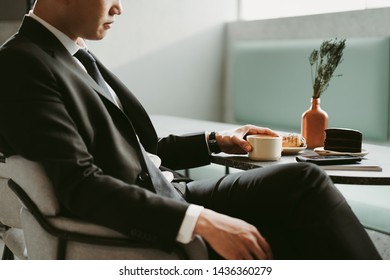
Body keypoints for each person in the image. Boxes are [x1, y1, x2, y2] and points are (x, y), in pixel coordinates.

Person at [0, 0, 381, 260]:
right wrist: (198, 219)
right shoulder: (22, 64)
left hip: (163, 187)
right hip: (148, 208)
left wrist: (217, 140)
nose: (119, 7)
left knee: (302, 181)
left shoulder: (70, 52)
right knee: (305, 195)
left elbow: (143, 148)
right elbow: (79, 184)